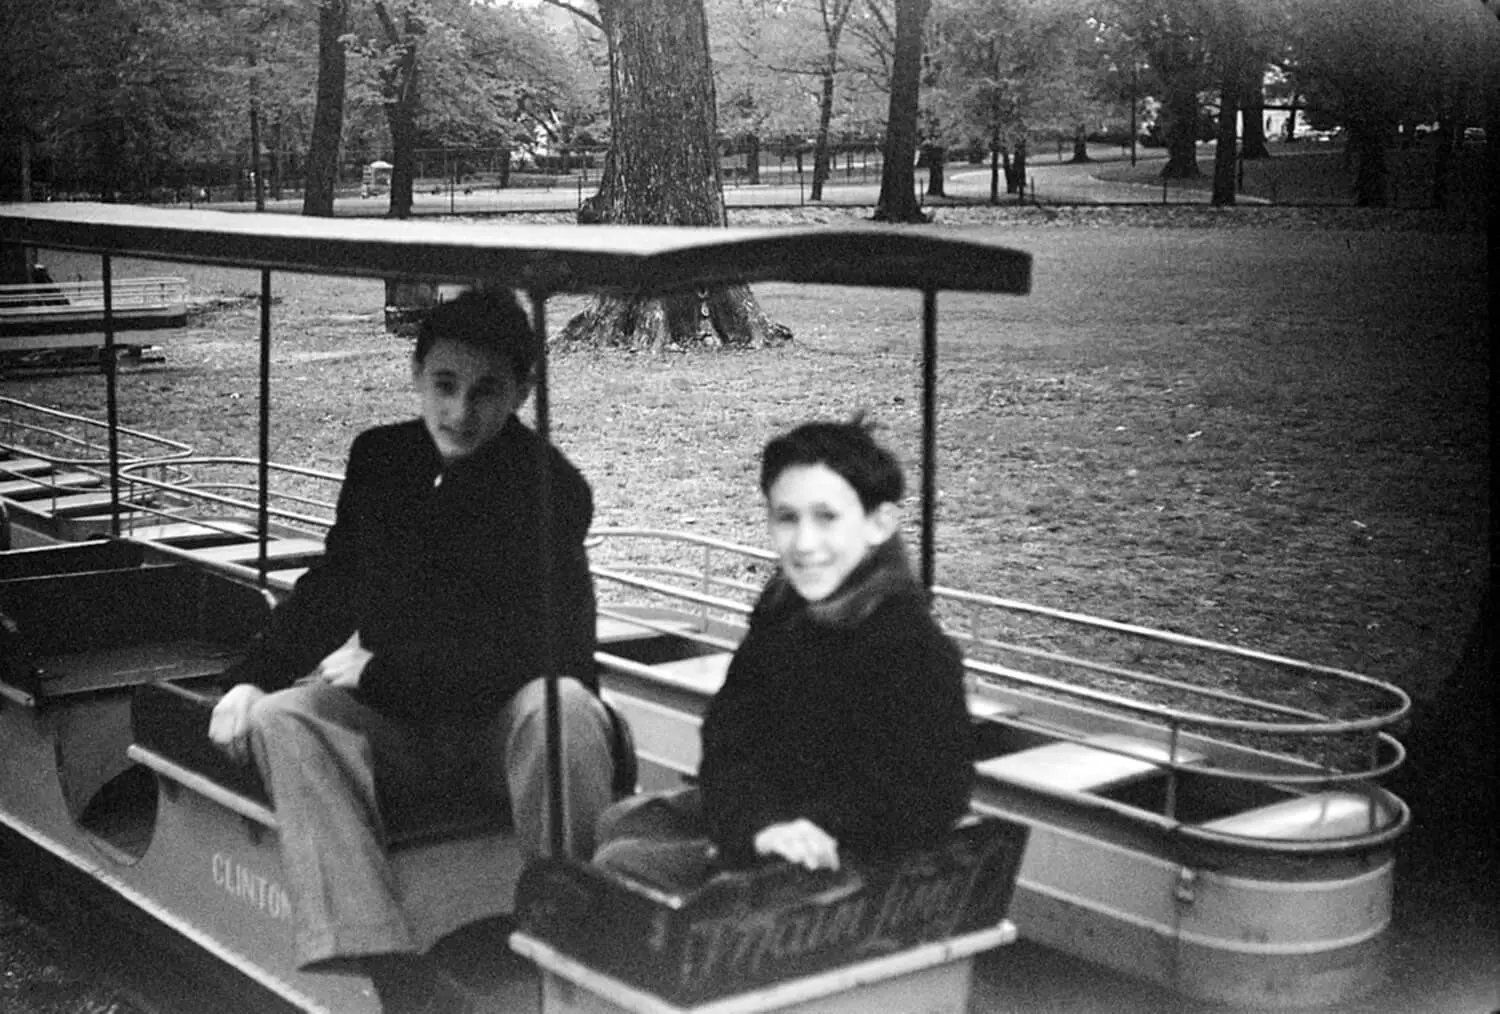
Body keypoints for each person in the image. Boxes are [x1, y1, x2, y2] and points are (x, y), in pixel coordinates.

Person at [208, 288, 617, 1014]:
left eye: (488, 390)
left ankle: (583, 955)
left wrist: (388, 667)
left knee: (564, 709)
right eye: (445, 385)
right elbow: (336, 583)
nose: (460, 413)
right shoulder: (381, 460)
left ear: (523, 390)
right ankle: (396, 971)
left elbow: (553, 653)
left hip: (501, 743)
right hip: (397, 733)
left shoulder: (550, 489)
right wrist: (251, 678)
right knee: (285, 717)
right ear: (417, 375)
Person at [594, 418, 973, 889]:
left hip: (845, 853)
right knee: (620, 823)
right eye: (788, 518)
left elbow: (929, 792)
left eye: (827, 518)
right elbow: (729, 732)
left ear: (878, 524)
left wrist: (788, 831)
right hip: (776, 814)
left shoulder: (909, 646)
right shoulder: (785, 609)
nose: (805, 543)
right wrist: (755, 823)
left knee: (619, 865)